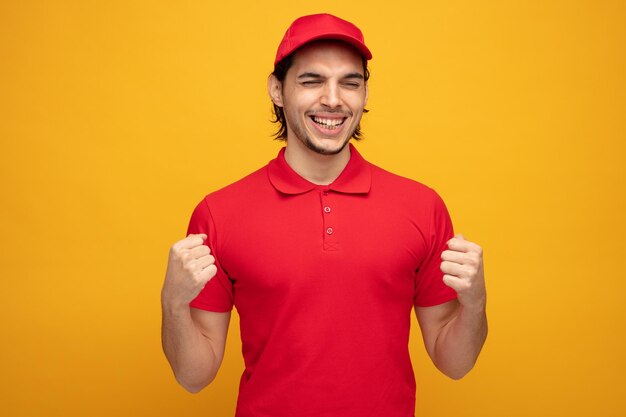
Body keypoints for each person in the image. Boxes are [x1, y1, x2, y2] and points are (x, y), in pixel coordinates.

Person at [161, 13, 487, 417]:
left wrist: (474, 304)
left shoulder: (422, 206)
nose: (333, 99)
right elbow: (194, 376)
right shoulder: (219, 212)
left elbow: (454, 363)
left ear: (365, 94)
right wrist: (173, 303)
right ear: (277, 90)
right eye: (312, 81)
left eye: (350, 82)